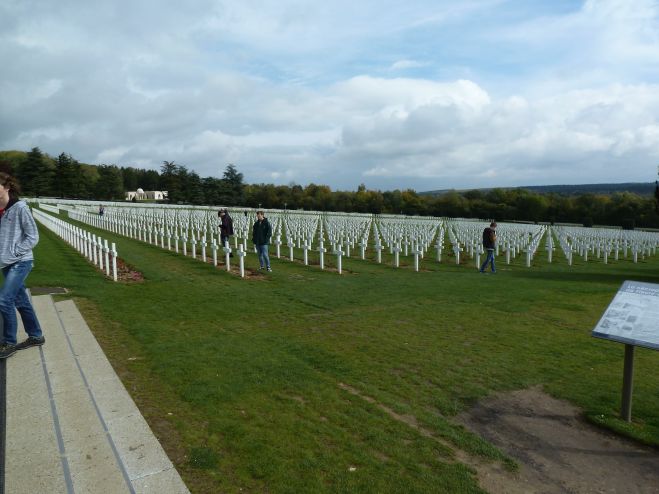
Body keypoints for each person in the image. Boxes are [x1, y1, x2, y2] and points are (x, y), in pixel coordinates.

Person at [0, 172, 45, 359]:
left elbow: (33, 236)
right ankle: (36, 336)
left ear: (6, 187)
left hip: (21, 261)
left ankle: (9, 342)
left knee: (3, 300)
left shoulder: (20, 208)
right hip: (4, 262)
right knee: (21, 300)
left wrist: (15, 252)